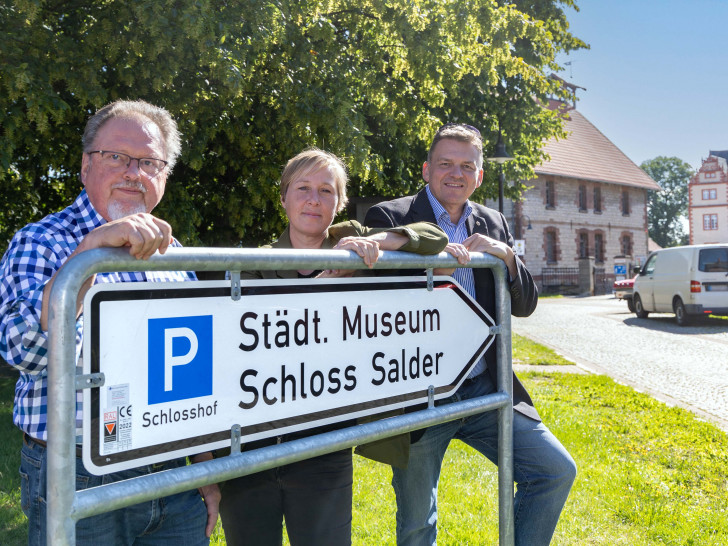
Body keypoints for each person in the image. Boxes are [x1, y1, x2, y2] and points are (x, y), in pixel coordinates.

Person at [0, 99, 220, 545]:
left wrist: (206, 467)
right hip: (77, 471)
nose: (132, 172)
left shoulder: (175, 256)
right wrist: (89, 256)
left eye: (148, 162)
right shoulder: (42, 242)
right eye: (115, 156)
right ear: (85, 167)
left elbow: (189, 375)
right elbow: (24, 350)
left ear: (163, 176)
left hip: (171, 474)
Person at [217, 148, 449, 546]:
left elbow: (434, 237)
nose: (313, 199)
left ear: (339, 203)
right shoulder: (251, 262)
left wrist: (373, 242)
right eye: (303, 188)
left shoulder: (355, 244)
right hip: (250, 449)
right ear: (284, 197)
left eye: (326, 191)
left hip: (323, 445)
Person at [364, 123, 577, 546]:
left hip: (486, 388)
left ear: (479, 175)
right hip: (422, 392)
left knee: (554, 471)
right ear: (426, 169)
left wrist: (509, 259)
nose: (456, 174)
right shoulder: (389, 216)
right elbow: (376, 306)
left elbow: (525, 304)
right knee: (416, 523)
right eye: (445, 163)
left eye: (467, 166)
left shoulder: (493, 221)